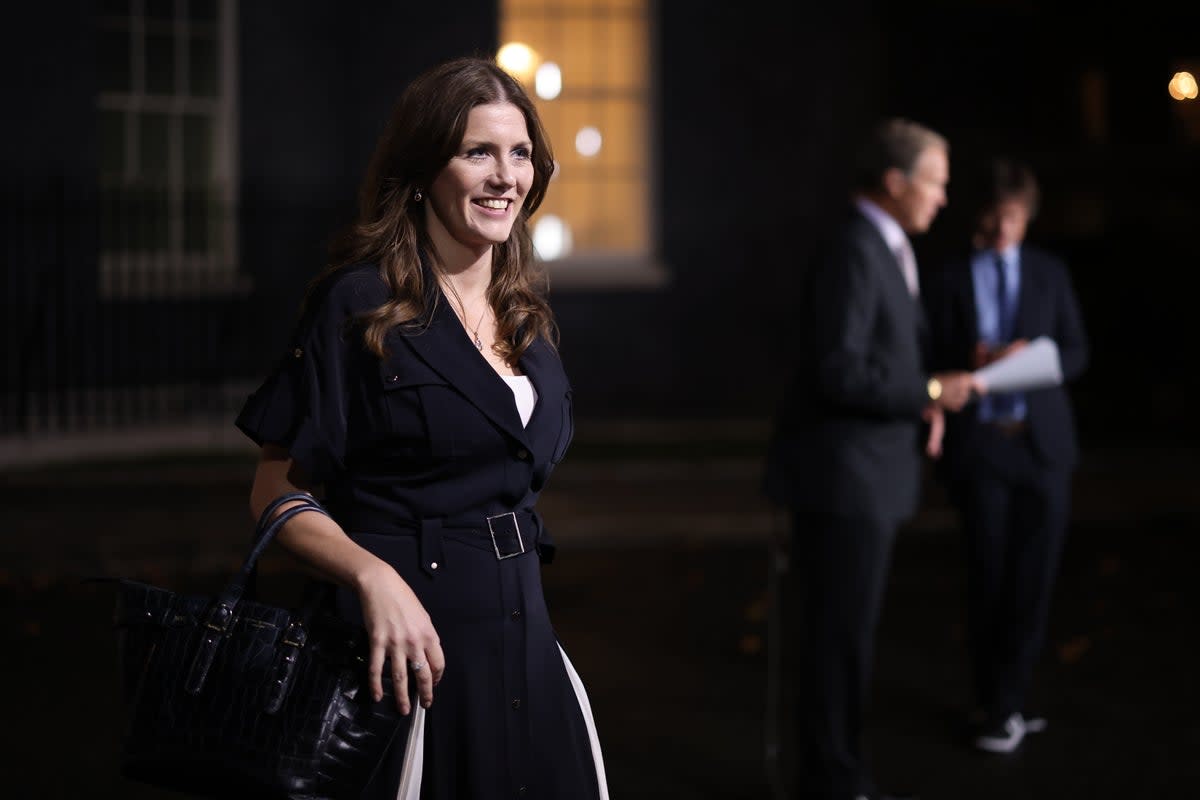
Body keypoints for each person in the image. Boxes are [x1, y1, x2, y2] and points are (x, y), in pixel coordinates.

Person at [234, 56, 609, 799]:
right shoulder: (361, 302)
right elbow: (273, 489)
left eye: (521, 153)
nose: (506, 175)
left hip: (526, 646)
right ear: (424, 168)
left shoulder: (525, 316)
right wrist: (373, 578)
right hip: (410, 666)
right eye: (478, 152)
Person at [762, 117, 980, 800]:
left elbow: (871, 364)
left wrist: (923, 405)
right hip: (844, 482)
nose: (943, 198)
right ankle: (833, 782)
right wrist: (932, 390)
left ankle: (840, 775)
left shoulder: (884, 245)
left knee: (848, 639)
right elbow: (839, 370)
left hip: (866, 475)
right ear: (895, 182)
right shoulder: (857, 247)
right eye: (936, 183)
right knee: (837, 641)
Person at [923, 157, 1089, 754]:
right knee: (987, 576)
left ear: (1027, 218)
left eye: (1012, 219)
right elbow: (926, 357)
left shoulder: (1049, 273)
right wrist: (972, 359)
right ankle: (991, 703)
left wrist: (1032, 354)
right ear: (979, 215)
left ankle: (1011, 702)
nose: (1000, 231)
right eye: (993, 218)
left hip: (1042, 448)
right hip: (982, 447)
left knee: (1034, 581)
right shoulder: (946, 277)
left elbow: (1076, 352)